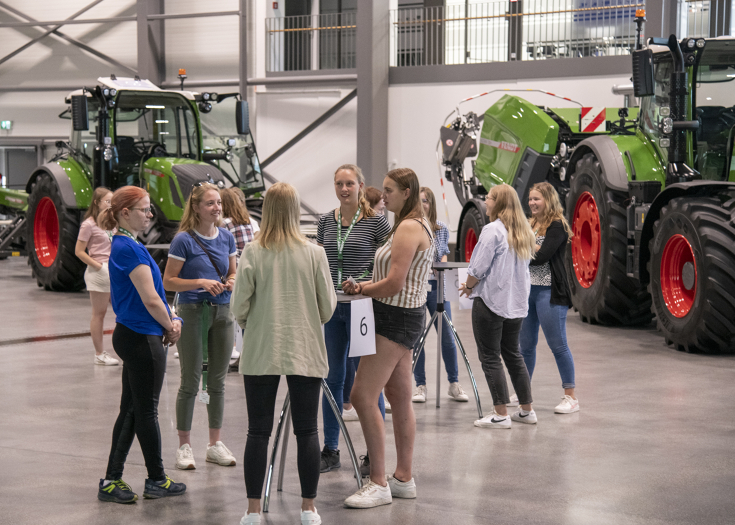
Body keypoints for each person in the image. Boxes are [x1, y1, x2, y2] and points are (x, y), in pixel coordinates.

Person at [232, 182, 336, 525]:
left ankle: (251, 510)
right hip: (304, 347)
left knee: (257, 431)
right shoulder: (315, 253)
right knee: (307, 430)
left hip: (262, 347)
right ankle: (308, 508)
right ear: (294, 211)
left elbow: (239, 307)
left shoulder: (252, 252)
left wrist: (256, 321)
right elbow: (328, 307)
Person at [342, 168, 434, 509]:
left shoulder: (409, 227)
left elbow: (395, 282)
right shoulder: (409, 225)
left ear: (407, 192)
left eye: (390, 190)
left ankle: (378, 481)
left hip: (395, 318)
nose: (383, 196)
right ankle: (403, 478)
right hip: (403, 316)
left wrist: (363, 287)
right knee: (398, 397)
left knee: (362, 395)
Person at [97, 186, 186, 503]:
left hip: (135, 334)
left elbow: (154, 296)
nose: (150, 214)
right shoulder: (128, 249)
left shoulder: (125, 245)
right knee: (145, 411)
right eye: (144, 209)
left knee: (133, 410)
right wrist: (171, 324)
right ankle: (156, 479)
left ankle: (112, 479)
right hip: (142, 338)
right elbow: (150, 299)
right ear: (124, 213)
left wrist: (173, 318)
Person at [317, 164, 391, 476]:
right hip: (333, 308)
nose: (344, 189)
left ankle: (374, 455)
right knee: (331, 378)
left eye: (349, 183)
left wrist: (369, 287)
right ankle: (330, 449)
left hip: (364, 307)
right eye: (339, 184)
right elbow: (320, 262)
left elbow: (388, 262)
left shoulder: (376, 222)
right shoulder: (324, 222)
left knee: (369, 383)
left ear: (360, 185)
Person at [163, 183, 238, 470]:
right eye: (210, 203)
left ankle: (214, 444)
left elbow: (232, 271)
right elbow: (169, 280)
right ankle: (184, 445)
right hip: (192, 311)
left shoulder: (227, 238)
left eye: (218, 203)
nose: (216, 208)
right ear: (196, 207)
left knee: (218, 381)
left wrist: (231, 281)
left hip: (223, 311)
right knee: (191, 380)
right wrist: (200, 282)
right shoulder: (183, 240)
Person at [459, 184, 537, 429]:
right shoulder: (525, 231)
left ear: (499, 203)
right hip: (516, 304)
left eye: (489, 198)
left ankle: (501, 413)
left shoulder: (492, 230)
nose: (485, 201)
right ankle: (526, 410)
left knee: (490, 357)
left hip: (491, 302)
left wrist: (468, 286)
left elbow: (478, 267)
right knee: (513, 354)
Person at [517, 182, 579, 414]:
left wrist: (520, 247)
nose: (532, 203)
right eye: (531, 199)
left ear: (548, 200)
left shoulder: (557, 225)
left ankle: (570, 396)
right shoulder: (529, 223)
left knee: (558, 345)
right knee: (526, 347)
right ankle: (523, 392)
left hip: (549, 292)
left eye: (537, 199)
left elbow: (541, 257)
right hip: (527, 291)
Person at [412, 187, 468, 403]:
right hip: (417, 288)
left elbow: (443, 252)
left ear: (431, 203)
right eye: (418, 201)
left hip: (437, 287)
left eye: (425, 201)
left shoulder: (440, 228)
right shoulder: (410, 227)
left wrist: (441, 267)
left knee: (447, 337)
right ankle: (420, 385)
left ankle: (453, 383)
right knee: (418, 338)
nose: (422, 205)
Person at [75, 187, 118, 366]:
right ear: (97, 203)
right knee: (99, 314)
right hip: (99, 271)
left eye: (112, 201)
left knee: (121, 311)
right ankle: (99, 353)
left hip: (115, 270)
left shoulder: (113, 223)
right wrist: (99, 266)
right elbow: (79, 251)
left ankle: (123, 350)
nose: (110, 205)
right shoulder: (89, 224)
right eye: (107, 201)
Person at [221, 187, 257, 365]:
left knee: (234, 316)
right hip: (250, 269)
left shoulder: (225, 224)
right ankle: (245, 356)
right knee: (246, 317)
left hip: (234, 270)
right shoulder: (248, 221)